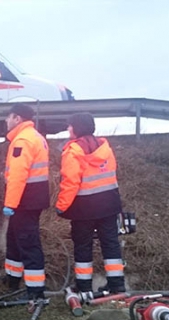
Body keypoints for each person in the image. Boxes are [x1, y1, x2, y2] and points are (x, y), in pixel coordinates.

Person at [56, 112, 125, 295]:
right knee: (110, 244)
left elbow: (70, 182)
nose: (68, 128)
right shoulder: (105, 148)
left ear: (77, 128)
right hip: (109, 204)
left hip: (84, 208)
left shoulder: (73, 151)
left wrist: (62, 206)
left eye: (70, 125)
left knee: (83, 246)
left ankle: (83, 286)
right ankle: (117, 285)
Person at [2, 104, 50, 301]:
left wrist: (10, 204)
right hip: (32, 198)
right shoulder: (35, 136)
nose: (6, 121)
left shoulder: (22, 140)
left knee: (28, 243)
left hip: (24, 200)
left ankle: (35, 290)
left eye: (9, 117)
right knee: (14, 240)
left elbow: (18, 176)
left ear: (17, 119)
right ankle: (12, 281)